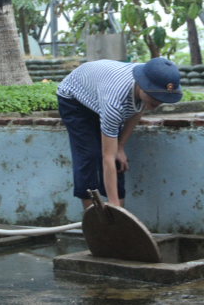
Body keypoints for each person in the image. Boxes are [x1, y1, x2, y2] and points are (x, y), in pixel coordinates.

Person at [57, 57, 183, 210]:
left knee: (118, 159)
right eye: (155, 97)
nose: (158, 103)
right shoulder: (114, 103)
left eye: (163, 98)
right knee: (89, 155)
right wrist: (114, 207)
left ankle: (119, 217)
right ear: (141, 86)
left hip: (100, 89)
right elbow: (107, 157)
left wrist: (120, 147)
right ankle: (94, 218)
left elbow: (138, 108)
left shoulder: (149, 79)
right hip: (75, 98)